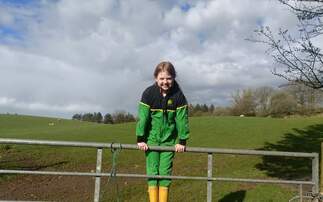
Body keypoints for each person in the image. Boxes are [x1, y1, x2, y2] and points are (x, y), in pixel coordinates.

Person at [136, 61, 190, 202]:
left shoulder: (178, 96)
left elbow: (182, 120)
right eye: (161, 78)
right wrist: (140, 139)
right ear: (156, 78)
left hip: (168, 142)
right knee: (152, 173)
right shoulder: (149, 93)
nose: (165, 82)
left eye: (168, 78)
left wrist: (182, 141)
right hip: (151, 140)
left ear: (173, 78)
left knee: (165, 174)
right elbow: (143, 117)